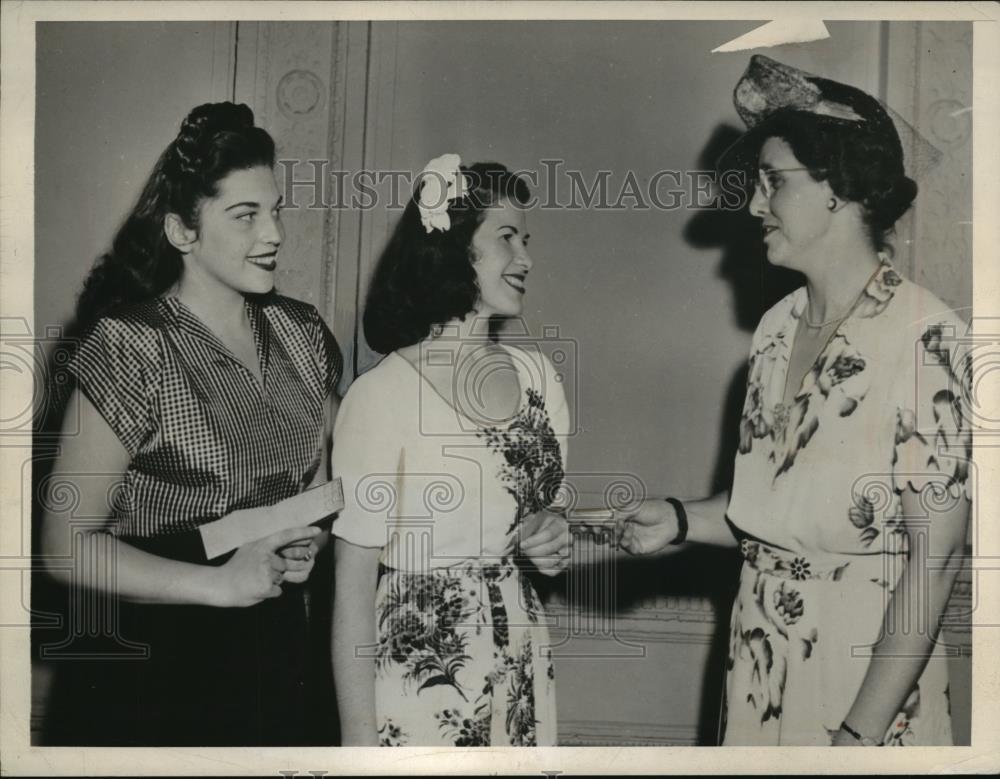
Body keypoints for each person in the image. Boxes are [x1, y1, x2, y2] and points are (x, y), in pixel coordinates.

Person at [616, 56, 972, 746]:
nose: (754, 205)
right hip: (758, 662)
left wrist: (859, 737)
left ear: (839, 188)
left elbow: (935, 560)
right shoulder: (777, 329)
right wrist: (680, 520)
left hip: (862, 684)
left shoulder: (928, 341)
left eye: (774, 182)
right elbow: (778, 512)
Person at [39, 102, 342, 746]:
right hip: (155, 658)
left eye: (276, 209)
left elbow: (320, 495)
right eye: (245, 215)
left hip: (272, 646)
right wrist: (219, 585)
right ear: (182, 231)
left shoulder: (303, 332)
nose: (274, 234)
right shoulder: (131, 345)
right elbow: (65, 546)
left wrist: (302, 547)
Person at [331, 156, 570, 746]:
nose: (527, 258)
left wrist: (554, 531)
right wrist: (357, 749)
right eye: (506, 237)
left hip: (521, 656)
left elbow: (553, 510)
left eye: (526, 239)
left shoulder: (539, 377)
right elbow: (352, 586)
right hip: (421, 672)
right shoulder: (381, 395)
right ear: (455, 248)